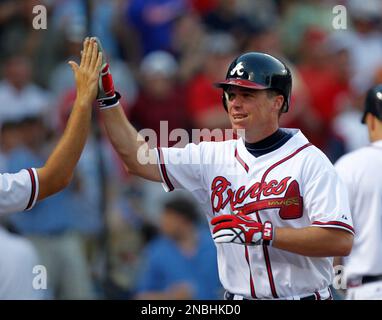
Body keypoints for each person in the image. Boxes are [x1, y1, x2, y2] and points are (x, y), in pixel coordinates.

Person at [96, 42, 354, 300]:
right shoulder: (211, 155)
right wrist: (109, 100)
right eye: (231, 94)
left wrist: (263, 233)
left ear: (277, 102)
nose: (235, 104)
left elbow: (338, 240)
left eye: (247, 95)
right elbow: (137, 160)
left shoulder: (310, 161)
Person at [0, 37, 102, 215]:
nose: (29, 132)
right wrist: (83, 102)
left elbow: (57, 178)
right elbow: (55, 178)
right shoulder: (15, 157)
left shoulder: (40, 100)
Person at [334, 84, 382, 300]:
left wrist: (340, 282)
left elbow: (335, 235)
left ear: (371, 120)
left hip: (366, 289)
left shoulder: (350, 165)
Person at [135, 197, 222, 300]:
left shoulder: (215, 244)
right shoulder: (155, 251)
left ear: (184, 220)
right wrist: (169, 297)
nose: (163, 223)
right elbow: (140, 296)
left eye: (168, 219)